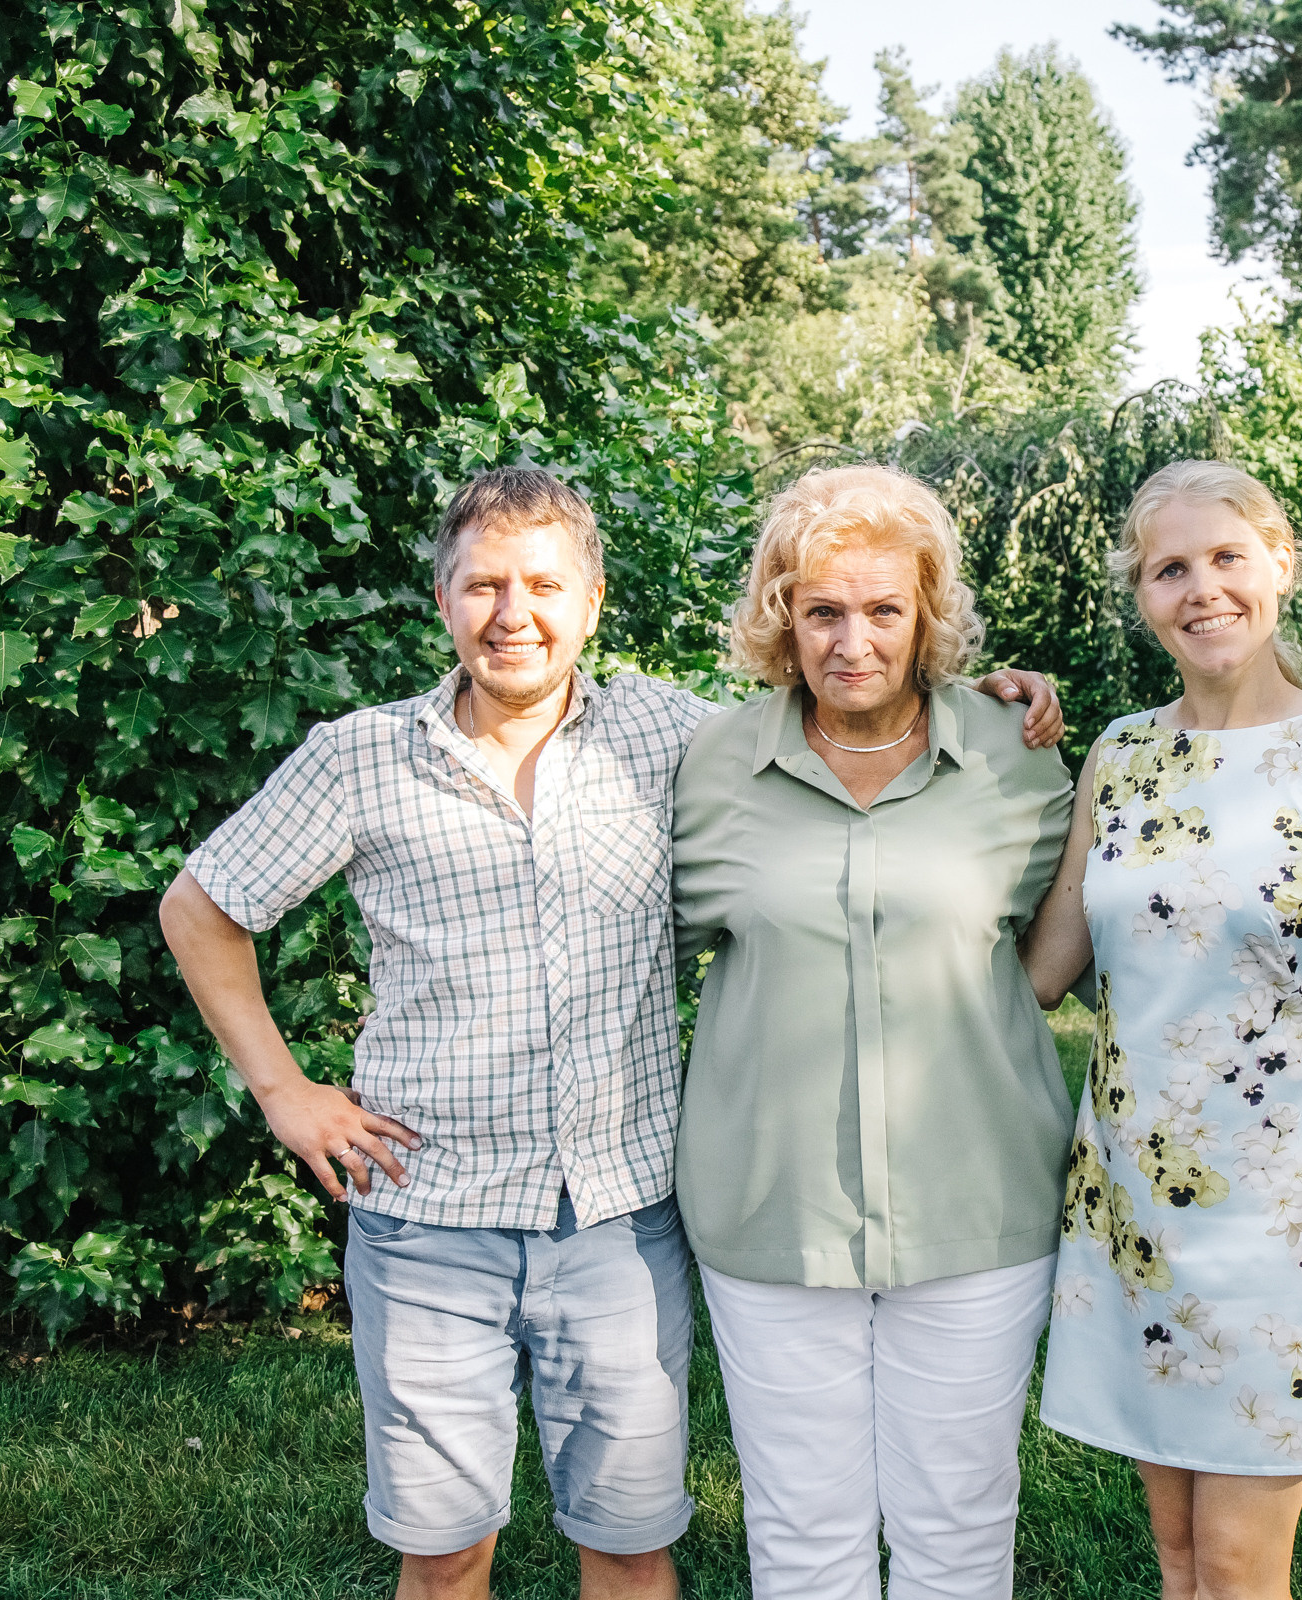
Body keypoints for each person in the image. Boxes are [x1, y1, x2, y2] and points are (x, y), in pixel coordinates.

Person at [158, 467, 1061, 1600]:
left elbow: (856, 704)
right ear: (442, 601)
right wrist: (288, 1093)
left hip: (617, 1218)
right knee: (443, 1555)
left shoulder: (672, 736)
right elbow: (199, 908)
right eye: (483, 584)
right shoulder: (366, 755)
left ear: (591, 601)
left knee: (632, 1546)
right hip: (433, 1212)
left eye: (543, 583)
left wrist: (977, 691)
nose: (512, 612)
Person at [1020, 460, 1302, 1600]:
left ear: (1279, 567)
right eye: (1171, 568)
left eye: (1226, 558)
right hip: (1128, 1204)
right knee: (1176, 1561)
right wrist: (967, 726)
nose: (1202, 589)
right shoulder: (1117, 756)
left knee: (1240, 1568)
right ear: (1143, 593)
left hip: (1278, 1213)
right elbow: (1042, 973)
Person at [669, 464, 1075, 1600]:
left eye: (886, 610)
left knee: (958, 1525)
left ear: (926, 618)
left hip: (978, 1209)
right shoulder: (707, 766)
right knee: (802, 1533)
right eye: (824, 611)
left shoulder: (1016, 756)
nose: (855, 640)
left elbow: (1065, 948)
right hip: (771, 1210)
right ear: (781, 619)